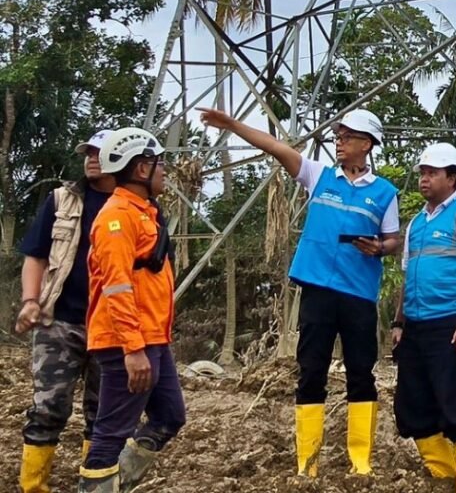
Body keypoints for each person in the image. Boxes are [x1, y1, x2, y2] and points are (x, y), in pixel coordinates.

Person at [199, 106, 399, 477]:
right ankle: (307, 462)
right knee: (311, 372)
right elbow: (275, 147)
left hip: (358, 296)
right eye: (338, 136)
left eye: (347, 137)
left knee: (361, 374)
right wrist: (231, 124)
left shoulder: (385, 192)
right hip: (318, 291)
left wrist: (380, 248)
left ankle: (361, 461)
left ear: (367, 144)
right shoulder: (319, 175)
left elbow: (393, 240)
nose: (339, 142)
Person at [78, 127, 185, 493]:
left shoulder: (144, 213)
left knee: (169, 416)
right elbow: (116, 286)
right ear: (141, 169)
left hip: (152, 338)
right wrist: (133, 349)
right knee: (109, 434)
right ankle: (96, 485)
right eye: (160, 164)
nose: (165, 171)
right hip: (128, 343)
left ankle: (117, 483)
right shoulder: (117, 218)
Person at [16, 129, 115, 493]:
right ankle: (33, 487)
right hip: (59, 322)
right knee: (47, 409)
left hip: (112, 327)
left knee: (103, 414)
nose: (91, 158)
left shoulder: (135, 206)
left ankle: (94, 485)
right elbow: (36, 255)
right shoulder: (62, 200)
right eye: (88, 152)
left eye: (99, 152)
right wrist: (30, 301)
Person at [392, 143, 456, 493]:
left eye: (432, 173)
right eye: (422, 172)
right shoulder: (417, 222)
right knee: (411, 407)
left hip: (452, 322)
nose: (424, 179)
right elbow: (407, 276)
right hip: (417, 326)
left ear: (452, 177)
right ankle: (444, 476)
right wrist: (399, 322)